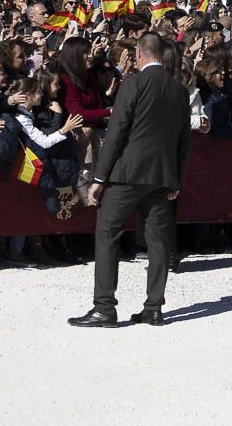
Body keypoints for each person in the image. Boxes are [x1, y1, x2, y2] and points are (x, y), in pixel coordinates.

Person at [68, 32, 194, 328]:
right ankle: (154, 307)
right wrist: (177, 179)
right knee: (158, 242)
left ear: (139, 53)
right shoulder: (178, 89)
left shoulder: (133, 84)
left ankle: (104, 307)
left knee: (108, 234)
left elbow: (116, 132)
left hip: (126, 175)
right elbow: (184, 140)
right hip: (162, 177)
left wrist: (100, 176)